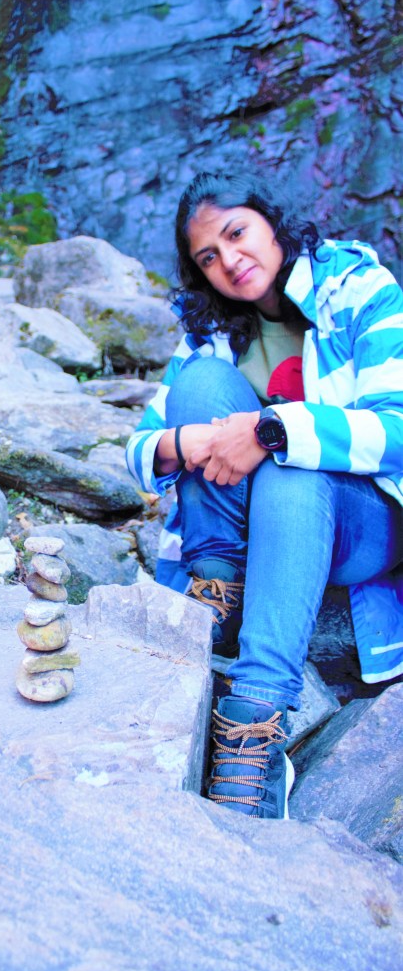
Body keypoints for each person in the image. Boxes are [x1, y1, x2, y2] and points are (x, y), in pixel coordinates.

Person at [125, 170, 403, 819]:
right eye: (207, 257)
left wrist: (271, 429)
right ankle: (220, 597)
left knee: (289, 460)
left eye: (236, 233)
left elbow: (398, 429)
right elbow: (139, 449)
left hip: (363, 523)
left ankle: (256, 723)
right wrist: (188, 440)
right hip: (257, 524)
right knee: (199, 384)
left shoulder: (357, 287)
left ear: (271, 221)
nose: (229, 260)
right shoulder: (209, 327)